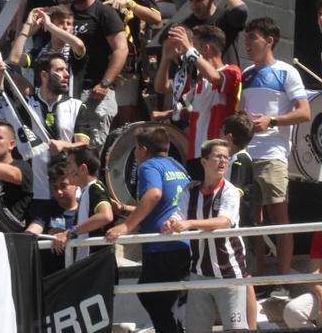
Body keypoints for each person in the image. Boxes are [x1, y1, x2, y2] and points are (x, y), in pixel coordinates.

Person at [240, 17, 310, 294]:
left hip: (273, 154)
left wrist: (272, 121)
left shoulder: (287, 72)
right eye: (246, 39)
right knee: (252, 220)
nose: (247, 44)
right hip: (246, 156)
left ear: (269, 40)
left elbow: (304, 112)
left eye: (252, 38)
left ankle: (282, 281)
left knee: (278, 217)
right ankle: (257, 281)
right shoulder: (246, 74)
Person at [106, 127, 191, 333]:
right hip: (182, 245)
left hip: (161, 246)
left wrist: (126, 226)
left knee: (150, 297)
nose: (136, 153)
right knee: (158, 299)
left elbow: (153, 195)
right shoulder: (177, 166)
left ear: (143, 149)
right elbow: (166, 204)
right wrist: (126, 209)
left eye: (136, 148)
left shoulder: (148, 166)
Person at [161, 139, 250, 331]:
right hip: (199, 273)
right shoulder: (190, 190)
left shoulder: (231, 191)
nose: (223, 161)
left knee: (236, 329)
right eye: (218, 156)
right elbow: (179, 214)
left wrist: (190, 223)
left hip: (230, 274)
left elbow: (224, 222)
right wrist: (171, 222)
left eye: (226, 157)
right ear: (204, 161)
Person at [155, 24, 241, 174]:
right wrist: (165, 59)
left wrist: (189, 49)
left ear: (206, 49)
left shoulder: (231, 71)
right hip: (196, 154)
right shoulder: (199, 79)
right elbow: (162, 87)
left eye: (193, 45)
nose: (186, 50)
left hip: (218, 155)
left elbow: (215, 77)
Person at [62, 0, 127, 147]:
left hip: (94, 92)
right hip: (68, 91)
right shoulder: (65, 14)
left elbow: (120, 49)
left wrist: (105, 83)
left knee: (92, 149)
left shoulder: (104, 13)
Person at [25, 53, 94, 201]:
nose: (67, 74)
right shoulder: (26, 106)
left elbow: (84, 146)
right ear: (44, 75)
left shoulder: (76, 106)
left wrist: (65, 145)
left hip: (70, 194)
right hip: (38, 193)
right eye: (60, 70)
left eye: (66, 69)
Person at [8, 5, 87, 98]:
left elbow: (79, 45)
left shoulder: (73, 50)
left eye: (69, 24)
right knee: (8, 73)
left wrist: (49, 25)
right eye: (61, 23)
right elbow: (14, 59)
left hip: (67, 106)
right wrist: (27, 27)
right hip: (41, 106)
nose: (65, 27)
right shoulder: (40, 52)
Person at [55, 146, 114, 259]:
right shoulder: (86, 192)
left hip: (97, 265)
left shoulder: (95, 188)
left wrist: (69, 233)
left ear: (82, 168)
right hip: (89, 265)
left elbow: (106, 216)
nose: (66, 170)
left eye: (69, 164)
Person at [180, 0, 247, 65]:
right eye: (190, 0)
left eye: (199, 0)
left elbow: (241, 10)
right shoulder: (187, 25)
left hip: (227, 77)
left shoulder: (226, 18)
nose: (194, 6)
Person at [25, 160, 79, 274]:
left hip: (79, 273)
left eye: (63, 186)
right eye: (54, 188)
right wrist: (50, 235)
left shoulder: (85, 207)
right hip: (51, 277)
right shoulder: (46, 209)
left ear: (76, 184)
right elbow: (34, 228)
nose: (59, 192)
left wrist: (65, 234)